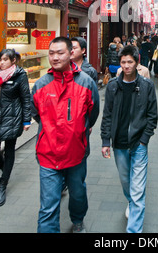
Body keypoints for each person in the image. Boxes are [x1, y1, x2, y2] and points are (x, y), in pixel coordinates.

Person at [31, 37, 99, 233]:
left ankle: (78, 220)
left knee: (78, 194)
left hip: (76, 153)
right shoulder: (41, 84)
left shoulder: (86, 83)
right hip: (48, 154)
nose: (55, 57)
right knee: (47, 207)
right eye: (51, 53)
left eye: (60, 53)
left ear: (71, 54)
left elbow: (92, 114)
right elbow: (36, 113)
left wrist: (79, 130)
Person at [101, 45, 158, 233]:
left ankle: (134, 231)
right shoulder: (113, 86)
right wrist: (105, 141)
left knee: (138, 189)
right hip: (119, 144)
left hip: (139, 143)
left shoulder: (146, 85)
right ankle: (131, 202)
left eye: (130, 62)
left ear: (137, 63)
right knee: (126, 181)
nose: (126, 66)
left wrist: (144, 139)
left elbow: (152, 115)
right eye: (123, 62)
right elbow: (107, 114)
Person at [0, 49, 31, 207]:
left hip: (13, 118)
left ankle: (3, 184)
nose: (1, 63)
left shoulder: (19, 75)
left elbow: (25, 97)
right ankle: (4, 168)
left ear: (13, 61)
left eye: (4, 60)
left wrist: (26, 120)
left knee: (9, 150)